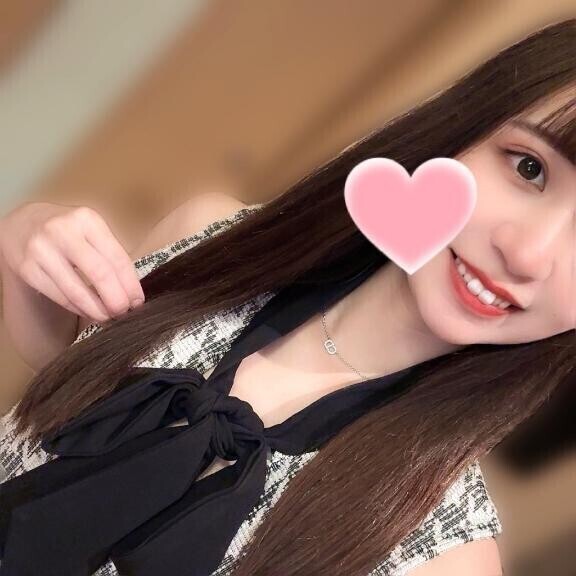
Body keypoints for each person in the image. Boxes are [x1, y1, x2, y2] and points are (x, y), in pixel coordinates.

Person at [0, 17, 574, 576]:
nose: (526, 253)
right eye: (529, 168)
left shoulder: (441, 558)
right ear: (465, 128)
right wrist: (23, 242)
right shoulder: (212, 236)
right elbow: (59, 396)